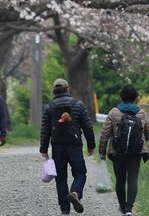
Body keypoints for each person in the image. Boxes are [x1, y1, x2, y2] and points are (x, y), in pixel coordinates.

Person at [40, 78, 96, 215]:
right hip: (74, 146)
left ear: (54, 91)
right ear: (68, 89)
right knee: (80, 172)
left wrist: (44, 148)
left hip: (57, 147)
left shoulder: (49, 107)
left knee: (60, 178)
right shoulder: (78, 105)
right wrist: (91, 144)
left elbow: (45, 129)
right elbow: (87, 126)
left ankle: (65, 210)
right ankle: (75, 192)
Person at [98, 84, 149, 216]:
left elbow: (105, 133)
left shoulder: (114, 112)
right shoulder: (141, 113)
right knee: (132, 180)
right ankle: (129, 209)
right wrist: (140, 142)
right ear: (136, 98)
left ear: (121, 97)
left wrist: (102, 151)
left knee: (120, 180)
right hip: (136, 152)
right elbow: (148, 132)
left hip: (118, 152)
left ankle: (122, 207)